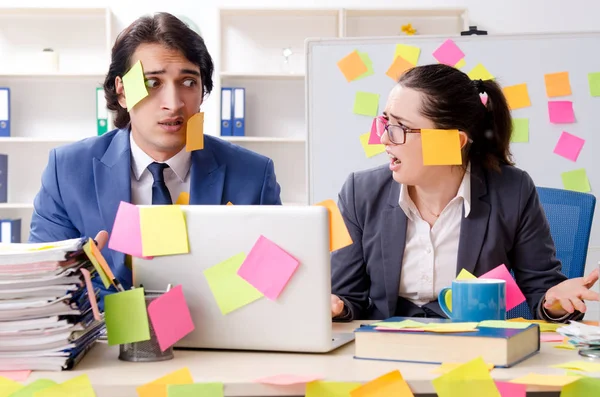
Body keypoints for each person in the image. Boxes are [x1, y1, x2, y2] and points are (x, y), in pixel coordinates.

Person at [28, 12, 282, 297]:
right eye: (152, 83)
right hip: (107, 338)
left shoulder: (253, 175)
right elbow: (44, 289)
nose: (173, 104)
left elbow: (272, 287)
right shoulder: (67, 171)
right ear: (123, 92)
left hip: (220, 338)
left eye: (188, 82)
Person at [330, 64, 599, 322]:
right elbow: (347, 297)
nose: (384, 138)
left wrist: (554, 303)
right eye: (385, 123)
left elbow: (543, 291)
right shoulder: (360, 192)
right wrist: (336, 307)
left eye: (400, 127)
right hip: (381, 347)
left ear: (454, 141)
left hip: (475, 348)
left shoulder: (512, 191)